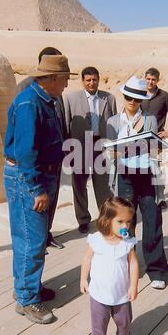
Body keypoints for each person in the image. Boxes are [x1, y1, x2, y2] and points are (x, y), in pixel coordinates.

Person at [4, 54, 75, 324]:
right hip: (29, 178)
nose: (67, 85)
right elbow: (25, 153)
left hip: (42, 175)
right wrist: (37, 190)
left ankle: (27, 286)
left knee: (32, 237)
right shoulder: (29, 104)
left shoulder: (45, 99)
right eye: (66, 79)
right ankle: (27, 300)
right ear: (54, 78)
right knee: (30, 240)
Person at [106, 76, 168, 289]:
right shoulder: (113, 122)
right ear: (123, 96)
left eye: (136, 98)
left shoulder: (150, 119)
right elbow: (110, 152)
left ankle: (157, 270)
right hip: (124, 177)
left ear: (142, 99)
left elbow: (154, 148)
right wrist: (122, 150)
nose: (132, 101)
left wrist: (146, 149)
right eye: (128, 97)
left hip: (147, 177)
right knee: (124, 222)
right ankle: (124, 265)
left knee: (152, 220)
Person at [17, 47, 71, 250]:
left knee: (51, 202)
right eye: (64, 78)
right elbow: (26, 136)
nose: (67, 84)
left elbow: (61, 120)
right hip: (38, 166)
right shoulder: (28, 93)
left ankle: (46, 236)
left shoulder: (55, 91)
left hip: (53, 163)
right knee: (33, 220)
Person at [80, 197, 139, 335]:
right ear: (107, 220)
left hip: (121, 295)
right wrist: (83, 278)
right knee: (98, 326)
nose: (125, 226)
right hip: (99, 295)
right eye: (120, 221)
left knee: (124, 322)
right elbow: (87, 258)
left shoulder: (127, 243)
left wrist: (134, 286)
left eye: (128, 222)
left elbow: (134, 264)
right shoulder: (96, 240)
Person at [64, 67, 117, 234]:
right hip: (79, 146)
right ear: (83, 81)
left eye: (94, 79)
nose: (91, 83)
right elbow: (66, 124)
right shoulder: (71, 98)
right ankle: (83, 219)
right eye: (88, 80)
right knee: (79, 184)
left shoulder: (109, 98)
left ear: (98, 79)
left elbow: (114, 122)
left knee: (103, 185)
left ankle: (106, 218)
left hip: (100, 145)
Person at [142, 67, 168, 209]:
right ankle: (144, 196)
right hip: (139, 138)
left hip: (156, 138)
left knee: (155, 168)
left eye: (153, 79)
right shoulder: (139, 94)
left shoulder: (164, 96)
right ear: (144, 78)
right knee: (140, 167)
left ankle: (161, 198)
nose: (150, 82)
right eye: (148, 79)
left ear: (157, 80)